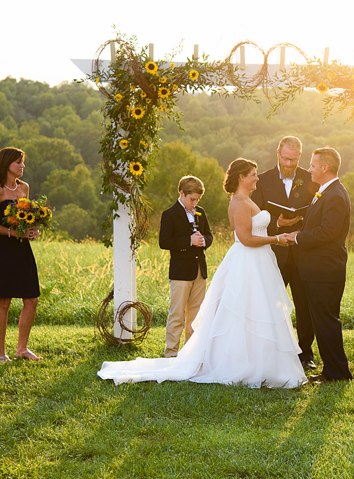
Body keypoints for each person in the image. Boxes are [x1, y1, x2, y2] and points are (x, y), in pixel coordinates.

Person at [98, 158, 307, 388]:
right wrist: (278, 239)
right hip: (240, 263)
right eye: (253, 174)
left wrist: (279, 224)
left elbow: (239, 230)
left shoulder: (244, 200)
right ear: (242, 178)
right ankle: (229, 361)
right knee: (229, 311)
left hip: (255, 263)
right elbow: (245, 238)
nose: (257, 178)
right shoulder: (237, 202)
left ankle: (263, 362)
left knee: (255, 309)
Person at [281, 147, 352, 382]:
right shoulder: (325, 192)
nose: (308, 169)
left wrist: (297, 237)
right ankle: (332, 370)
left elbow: (328, 232)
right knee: (322, 322)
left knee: (327, 322)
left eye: (312, 165)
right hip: (317, 269)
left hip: (325, 270)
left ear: (325, 168)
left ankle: (338, 372)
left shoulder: (335, 195)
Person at [252, 136, 320, 370]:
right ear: (278, 153)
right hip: (274, 254)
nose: (290, 163)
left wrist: (303, 226)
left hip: (303, 252)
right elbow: (254, 217)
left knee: (305, 304)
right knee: (271, 303)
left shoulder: (311, 179)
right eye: (286, 158)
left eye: (295, 159)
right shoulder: (262, 181)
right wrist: (277, 224)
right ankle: (271, 351)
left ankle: (305, 354)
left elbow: (318, 213)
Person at [0, 147, 42, 364]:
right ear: (7, 164)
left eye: (23, 162)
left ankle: (22, 349)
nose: (22, 166)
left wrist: (33, 229)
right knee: (4, 301)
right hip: (0, 248)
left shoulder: (24, 188)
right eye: (19, 162)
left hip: (21, 247)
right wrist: (14, 232)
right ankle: (0, 354)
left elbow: (25, 218)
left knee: (32, 299)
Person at [158, 176, 214, 358]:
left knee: (196, 316)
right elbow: (164, 242)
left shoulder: (201, 212)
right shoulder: (169, 214)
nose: (195, 203)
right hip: (181, 272)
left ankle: (190, 354)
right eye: (192, 199)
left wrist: (203, 241)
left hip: (200, 270)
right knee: (176, 314)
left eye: (197, 200)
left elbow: (209, 237)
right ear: (181, 193)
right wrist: (188, 241)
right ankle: (171, 354)